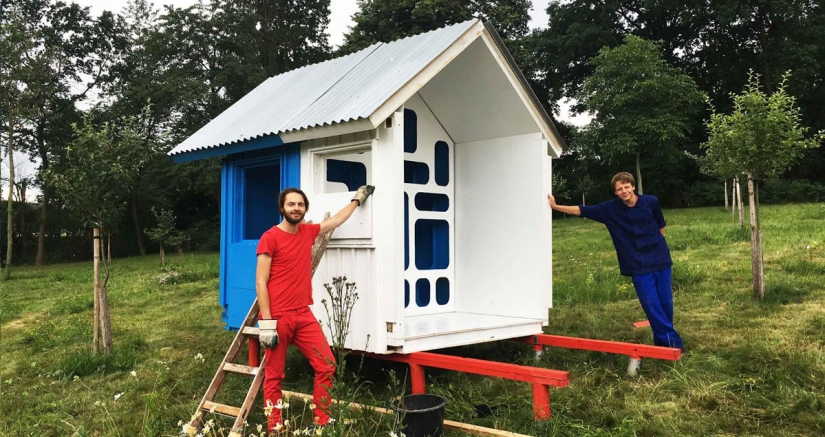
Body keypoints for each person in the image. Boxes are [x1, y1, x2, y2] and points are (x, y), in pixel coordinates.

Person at [256, 185, 375, 431]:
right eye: (291, 204)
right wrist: (267, 324)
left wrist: (357, 199)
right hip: (278, 317)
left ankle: (323, 419)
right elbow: (261, 281)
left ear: (305, 208)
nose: (296, 208)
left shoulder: (308, 232)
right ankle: (274, 427)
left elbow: (337, 220)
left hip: (303, 314)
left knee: (327, 364)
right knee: (275, 375)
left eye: (300, 204)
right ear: (282, 208)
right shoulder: (270, 237)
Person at [547, 172, 683, 350]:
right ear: (616, 193)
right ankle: (674, 345)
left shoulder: (651, 202)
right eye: (620, 189)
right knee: (651, 304)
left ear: (633, 187)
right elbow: (582, 210)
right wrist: (556, 206)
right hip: (637, 265)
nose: (624, 191)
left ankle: (663, 343)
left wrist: (657, 247)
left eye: (627, 187)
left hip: (660, 260)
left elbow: (661, 225)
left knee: (666, 303)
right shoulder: (609, 209)